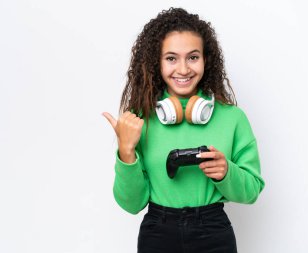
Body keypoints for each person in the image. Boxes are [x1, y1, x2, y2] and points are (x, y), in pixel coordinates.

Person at [103, 7, 265, 253]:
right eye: (171, 58)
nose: (183, 69)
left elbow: (252, 191)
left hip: (214, 230)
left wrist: (226, 172)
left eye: (193, 57)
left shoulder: (232, 118)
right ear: (156, 62)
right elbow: (132, 204)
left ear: (205, 59)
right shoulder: (138, 120)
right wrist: (126, 151)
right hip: (158, 230)